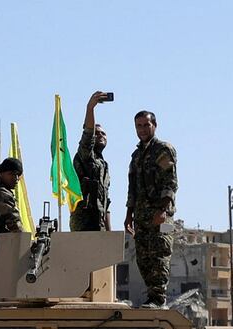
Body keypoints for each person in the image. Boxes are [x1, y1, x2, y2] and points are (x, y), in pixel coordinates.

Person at [124, 111, 178, 308]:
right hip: (141, 216)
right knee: (143, 257)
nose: (142, 130)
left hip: (162, 217)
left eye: (146, 125)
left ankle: (158, 298)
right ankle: (151, 297)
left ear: (154, 125)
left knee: (160, 254)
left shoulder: (163, 150)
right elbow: (132, 189)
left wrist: (162, 210)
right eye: (138, 126)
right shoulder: (137, 156)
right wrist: (129, 215)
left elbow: (170, 183)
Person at [71, 91, 111, 232]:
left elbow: (106, 203)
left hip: (98, 224)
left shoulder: (103, 165)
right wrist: (90, 108)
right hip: (83, 223)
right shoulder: (85, 155)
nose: (100, 135)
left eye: (103, 133)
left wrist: (109, 234)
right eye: (97, 132)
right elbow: (88, 134)